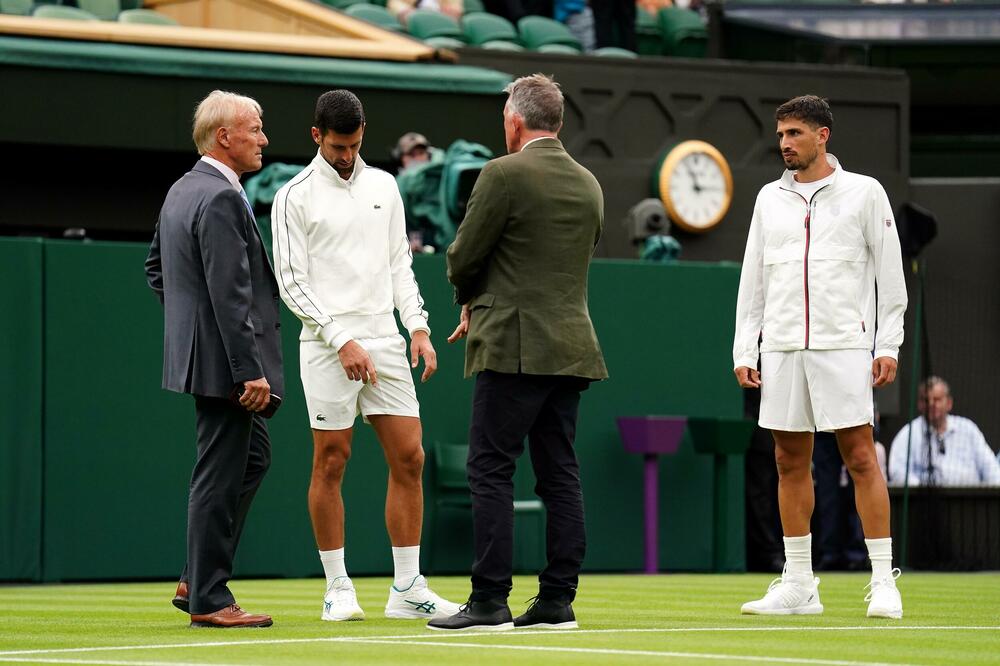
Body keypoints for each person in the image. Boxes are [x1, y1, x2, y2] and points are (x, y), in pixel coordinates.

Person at [270, 90, 459, 623]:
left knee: (410, 457)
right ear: (316, 137)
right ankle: (337, 588)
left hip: (386, 339)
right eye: (336, 146)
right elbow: (291, 283)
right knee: (332, 459)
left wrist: (418, 328)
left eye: (354, 145)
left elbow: (400, 262)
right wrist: (339, 338)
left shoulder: (385, 185)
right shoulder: (293, 196)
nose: (346, 155)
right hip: (328, 344)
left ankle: (407, 587)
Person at [428, 73, 608, 632]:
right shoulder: (589, 183)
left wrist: (469, 300)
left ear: (514, 120)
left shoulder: (502, 173)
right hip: (572, 347)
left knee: (489, 468)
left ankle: (488, 601)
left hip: (513, 346)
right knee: (560, 475)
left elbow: (462, 256)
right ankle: (557, 601)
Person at [733, 95, 907, 619]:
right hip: (782, 348)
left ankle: (883, 581)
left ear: (823, 135)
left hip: (844, 345)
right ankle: (800, 584)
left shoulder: (865, 193)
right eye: (781, 134)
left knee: (860, 456)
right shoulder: (768, 199)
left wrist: (887, 343)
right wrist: (746, 345)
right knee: (789, 461)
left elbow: (890, 276)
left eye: (795, 133)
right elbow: (754, 279)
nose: (784, 143)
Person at [144, 90, 281, 628]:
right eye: (256, 128)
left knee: (250, 460)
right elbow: (230, 294)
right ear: (225, 136)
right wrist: (249, 370)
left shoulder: (183, 189)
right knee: (219, 474)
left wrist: (191, 332)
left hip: (205, 356)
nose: (264, 139)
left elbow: (157, 271)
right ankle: (208, 597)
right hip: (228, 366)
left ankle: (194, 574)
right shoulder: (220, 197)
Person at [888, 376, 1000, 487]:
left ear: (949, 403)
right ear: (919, 404)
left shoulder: (968, 429)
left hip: (970, 501)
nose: (931, 404)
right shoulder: (909, 434)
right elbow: (898, 472)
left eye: (937, 399)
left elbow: (992, 469)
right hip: (924, 501)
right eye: (926, 400)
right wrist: (922, 490)